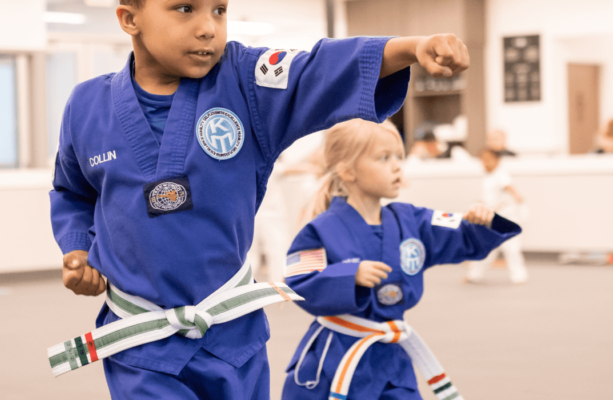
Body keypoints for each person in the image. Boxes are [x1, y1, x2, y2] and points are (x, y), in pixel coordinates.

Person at [47, 0, 471, 398]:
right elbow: (72, 192)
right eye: (184, 8)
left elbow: (316, 70)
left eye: (219, 9)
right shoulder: (86, 106)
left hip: (233, 337)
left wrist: (411, 48)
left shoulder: (243, 81)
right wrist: (77, 250)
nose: (207, 28)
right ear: (129, 19)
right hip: (142, 343)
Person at [281, 119, 520, 400]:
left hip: (391, 361)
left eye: (399, 157)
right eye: (384, 158)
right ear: (347, 170)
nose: (396, 166)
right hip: (336, 358)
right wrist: (349, 275)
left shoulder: (411, 220)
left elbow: (459, 236)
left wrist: (481, 223)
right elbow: (298, 282)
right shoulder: (320, 229)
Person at [465, 149, 528, 284]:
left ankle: (519, 276)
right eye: (483, 160)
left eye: (489, 159)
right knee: (486, 246)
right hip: (492, 218)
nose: (485, 163)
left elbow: (511, 189)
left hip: (506, 217)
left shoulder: (501, 174)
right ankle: (475, 275)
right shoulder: (489, 176)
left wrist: (521, 204)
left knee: (511, 249)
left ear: (497, 160)